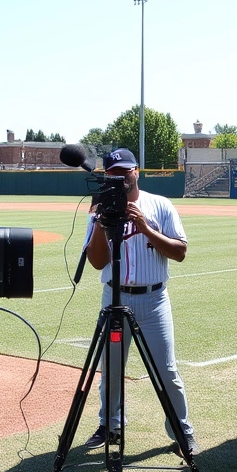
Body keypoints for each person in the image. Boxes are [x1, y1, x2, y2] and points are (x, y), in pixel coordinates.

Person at [81, 148, 198, 456]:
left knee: (166, 370)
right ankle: (110, 425)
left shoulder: (160, 205)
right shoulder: (98, 211)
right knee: (111, 368)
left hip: (154, 301)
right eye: (114, 173)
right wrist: (100, 226)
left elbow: (180, 252)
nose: (121, 177)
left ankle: (181, 429)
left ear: (137, 171)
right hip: (114, 296)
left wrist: (146, 228)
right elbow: (96, 262)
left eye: (126, 171)